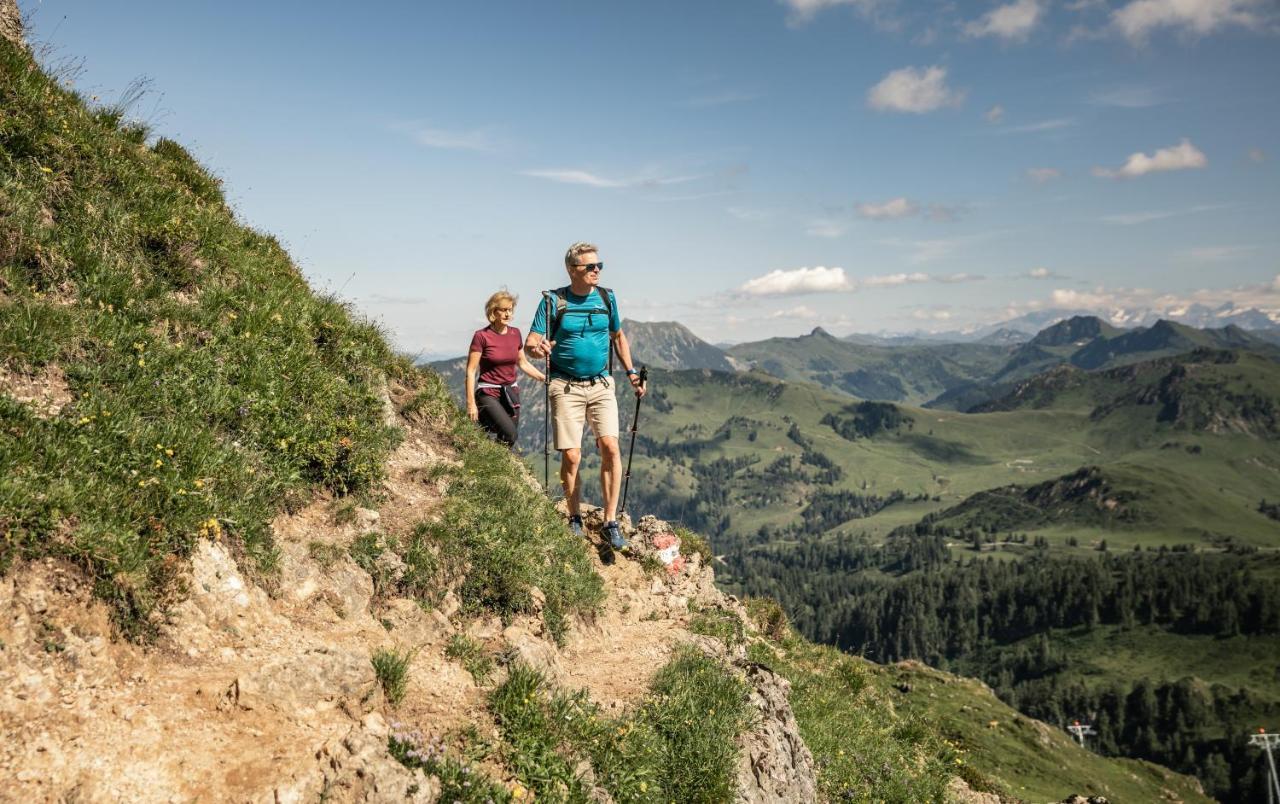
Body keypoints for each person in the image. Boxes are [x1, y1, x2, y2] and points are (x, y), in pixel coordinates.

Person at [526, 241, 645, 550]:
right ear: (571, 270)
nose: (596, 271)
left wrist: (631, 373)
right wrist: (538, 349)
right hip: (565, 386)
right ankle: (574, 515)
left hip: (601, 383)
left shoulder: (607, 298)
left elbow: (617, 337)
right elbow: (531, 343)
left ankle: (610, 522)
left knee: (610, 447)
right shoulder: (553, 302)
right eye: (589, 266)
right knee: (572, 455)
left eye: (599, 266)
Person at [466, 290, 546, 448]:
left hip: (511, 394)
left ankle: (492, 466)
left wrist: (545, 378)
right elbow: (470, 371)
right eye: (503, 310)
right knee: (510, 434)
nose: (508, 314)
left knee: (507, 439)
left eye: (510, 310)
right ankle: (487, 457)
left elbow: (522, 363)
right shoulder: (481, 336)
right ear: (493, 312)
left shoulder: (515, 333)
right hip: (488, 393)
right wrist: (471, 403)